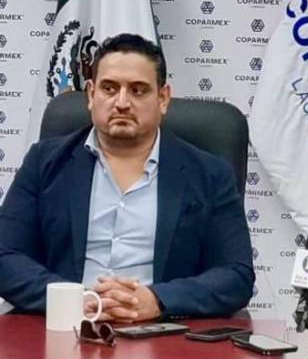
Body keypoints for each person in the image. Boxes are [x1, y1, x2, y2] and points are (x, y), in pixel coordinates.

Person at [0, 33, 254, 322]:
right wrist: (75, 300)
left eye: (138, 90)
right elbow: (5, 255)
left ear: (163, 99)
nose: (122, 103)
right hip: (65, 325)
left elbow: (236, 275)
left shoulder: (210, 174)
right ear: (91, 94)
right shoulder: (45, 162)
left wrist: (158, 300)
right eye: (109, 88)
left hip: (161, 331)